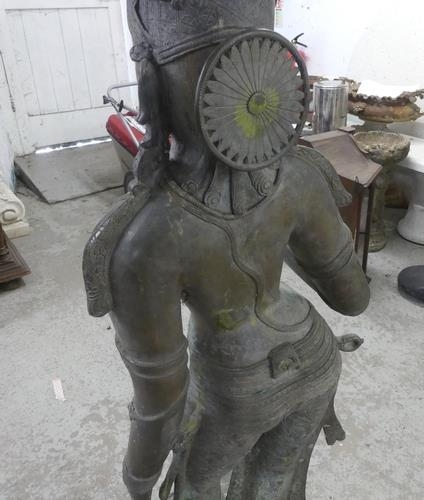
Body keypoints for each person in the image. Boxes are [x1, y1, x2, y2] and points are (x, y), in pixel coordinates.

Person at [83, 1, 370, 499]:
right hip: (317, 355)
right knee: (275, 484)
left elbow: (161, 403)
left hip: (237, 386)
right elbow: (353, 298)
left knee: (196, 485)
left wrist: (138, 479)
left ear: (155, 86)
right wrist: (283, 234)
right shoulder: (300, 175)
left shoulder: (143, 238)